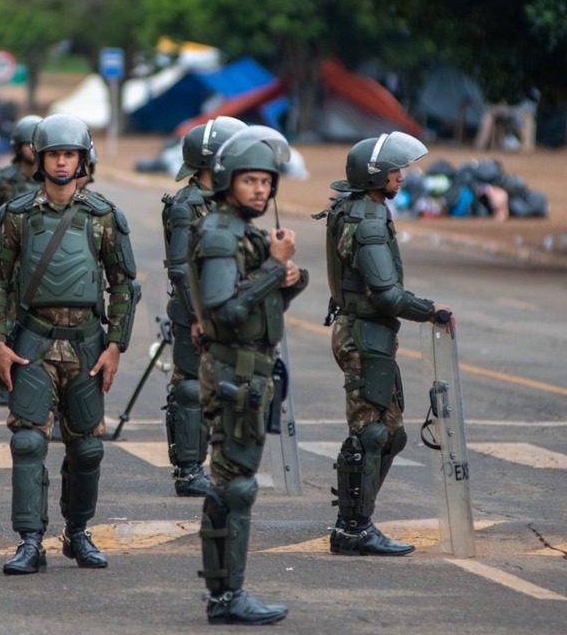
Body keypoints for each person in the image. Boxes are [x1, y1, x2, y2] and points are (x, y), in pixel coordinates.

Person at [0, 114, 138, 575]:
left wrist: (116, 346)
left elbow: (124, 284)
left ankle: (78, 533)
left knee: (87, 448)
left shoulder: (104, 216)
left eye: (70, 154)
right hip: (32, 341)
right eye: (54, 154)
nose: (63, 161)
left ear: (83, 158)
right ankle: (30, 541)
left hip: (88, 344)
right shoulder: (17, 216)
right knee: (28, 443)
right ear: (40, 159)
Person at [189, 127, 307, 625]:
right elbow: (224, 309)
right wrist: (272, 270)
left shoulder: (244, 232)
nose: (260, 190)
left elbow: (260, 304)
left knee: (231, 483)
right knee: (234, 485)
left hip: (252, 365)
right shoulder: (220, 232)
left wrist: (290, 280)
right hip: (235, 366)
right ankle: (226, 596)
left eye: (266, 182)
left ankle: (225, 594)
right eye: (249, 181)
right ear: (226, 182)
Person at [320, 132, 454, 556]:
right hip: (365, 333)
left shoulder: (357, 208)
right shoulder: (369, 220)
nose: (402, 176)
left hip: (368, 332)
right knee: (371, 434)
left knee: (389, 435)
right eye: (395, 170)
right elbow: (386, 294)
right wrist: (432, 310)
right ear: (375, 175)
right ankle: (353, 528)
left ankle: (356, 511)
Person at [161, 116, 246, 497]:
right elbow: (180, 269)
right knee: (191, 387)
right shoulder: (186, 206)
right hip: (195, 314)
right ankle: (189, 470)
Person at [0, 114, 42, 405]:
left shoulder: (50, 180)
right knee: (7, 322)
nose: (33, 149)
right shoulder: (1, 179)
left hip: (38, 265)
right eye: (28, 143)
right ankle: (5, 381)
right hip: (7, 262)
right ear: (17, 146)